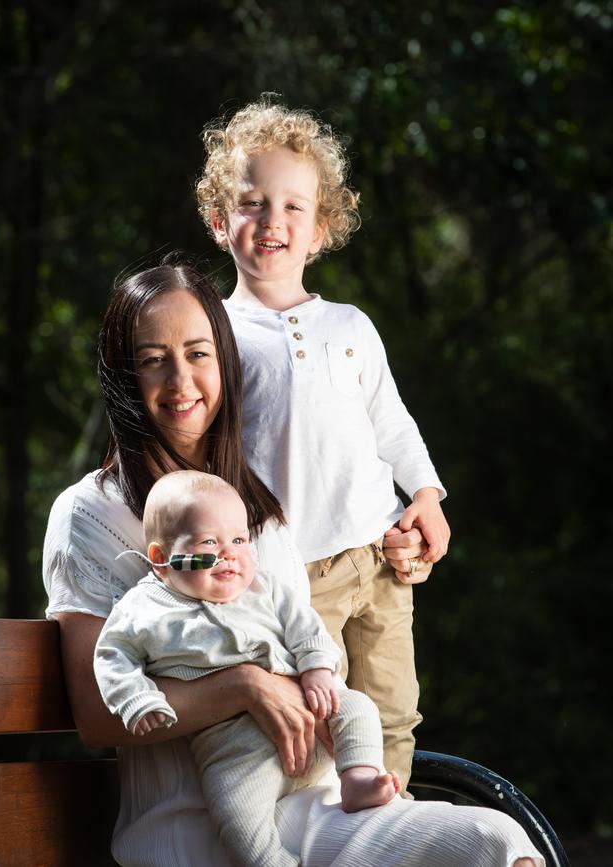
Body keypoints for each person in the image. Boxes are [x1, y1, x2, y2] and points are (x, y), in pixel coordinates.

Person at [43, 255, 543, 866]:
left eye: (199, 354)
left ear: (225, 362)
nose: (180, 382)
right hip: (195, 828)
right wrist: (244, 687)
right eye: (152, 360)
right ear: (124, 376)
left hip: (320, 806)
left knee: (501, 845)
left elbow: (344, 538)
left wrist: (406, 536)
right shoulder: (89, 514)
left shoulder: (260, 507)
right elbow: (97, 715)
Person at [196, 97, 449, 788]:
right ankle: (335, 837)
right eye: (253, 203)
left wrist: (424, 495)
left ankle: (391, 834)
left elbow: (392, 423)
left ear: (321, 229)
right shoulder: (213, 336)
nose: (273, 220)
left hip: (379, 555)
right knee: (329, 725)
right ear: (221, 221)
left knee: (397, 713)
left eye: (294, 207)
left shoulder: (351, 325)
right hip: (293, 577)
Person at [94, 470, 400, 867]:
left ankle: (357, 779)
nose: (229, 554)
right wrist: (136, 698)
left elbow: (306, 628)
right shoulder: (143, 608)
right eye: (208, 542)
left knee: (358, 707)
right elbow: (112, 655)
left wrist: (317, 669)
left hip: (311, 718)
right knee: (235, 817)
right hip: (236, 751)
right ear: (160, 558)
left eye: (239, 540)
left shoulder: (264, 588)